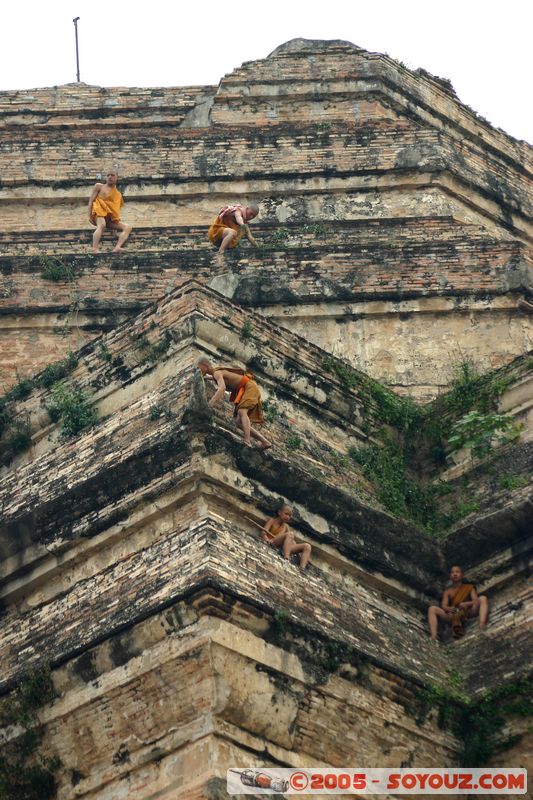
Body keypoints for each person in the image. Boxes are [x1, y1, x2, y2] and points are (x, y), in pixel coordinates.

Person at [197, 359, 271, 450]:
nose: (198, 370)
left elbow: (222, 389)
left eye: (199, 368)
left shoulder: (217, 373)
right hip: (243, 390)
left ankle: (247, 441)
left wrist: (210, 404)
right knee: (238, 422)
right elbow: (217, 378)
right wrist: (205, 378)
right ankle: (265, 441)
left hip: (249, 387)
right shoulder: (216, 374)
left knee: (242, 411)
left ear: (205, 366)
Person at [428, 565, 489, 641]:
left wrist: (466, 604)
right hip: (454, 613)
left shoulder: (469, 587)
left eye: (457, 572)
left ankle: (482, 624)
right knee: (432, 609)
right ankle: (434, 635)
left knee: (483, 598)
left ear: (462, 575)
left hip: (468, 611)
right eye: (452, 572)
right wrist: (450, 608)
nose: (455, 574)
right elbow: (443, 605)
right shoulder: (448, 592)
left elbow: (475, 601)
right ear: (450, 576)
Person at [88, 170, 133, 254]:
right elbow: (91, 201)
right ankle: (95, 249)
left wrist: (114, 230)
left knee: (128, 227)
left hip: (109, 219)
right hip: (98, 213)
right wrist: (89, 215)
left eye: (112, 175)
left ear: (116, 178)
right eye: (108, 175)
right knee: (102, 225)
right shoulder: (99, 186)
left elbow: (115, 210)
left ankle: (117, 247)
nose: (110, 177)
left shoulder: (118, 194)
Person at [260, 503, 312, 570]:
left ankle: (302, 568)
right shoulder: (272, 521)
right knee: (290, 534)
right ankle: (286, 557)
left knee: (307, 546)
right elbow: (263, 532)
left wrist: (299, 554)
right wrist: (266, 539)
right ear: (279, 512)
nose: (288, 517)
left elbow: (292, 541)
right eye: (286, 514)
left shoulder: (286, 526)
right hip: (273, 541)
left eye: (290, 516)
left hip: (285, 546)